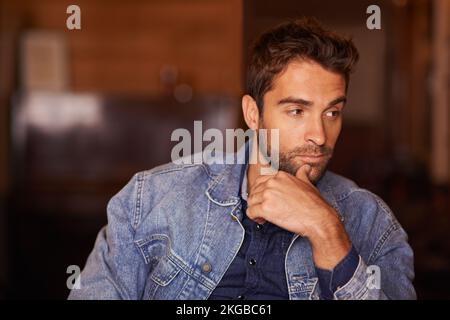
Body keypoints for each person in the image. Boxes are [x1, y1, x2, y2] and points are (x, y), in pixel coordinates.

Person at [69, 18, 416, 300]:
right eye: (297, 110)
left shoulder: (371, 223)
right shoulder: (152, 198)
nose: (320, 135)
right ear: (253, 113)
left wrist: (327, 232)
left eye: (332, 112)